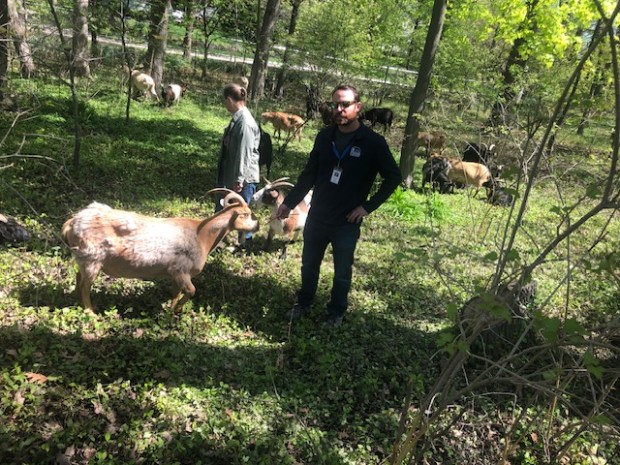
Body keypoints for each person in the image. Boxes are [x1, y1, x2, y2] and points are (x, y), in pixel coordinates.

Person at [276, 85, 401, 327]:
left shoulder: (373, 142)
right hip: (318, 216)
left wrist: (367, 207)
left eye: (345, 105)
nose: (339, 110)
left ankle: (336, 312)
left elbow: (393, 177)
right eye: (335, 104)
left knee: (342, 271)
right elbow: (309, 174)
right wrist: (289, 202)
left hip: (346, 222)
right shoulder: (325, 136)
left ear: (358, 107)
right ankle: (304, 301)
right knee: (309, 264)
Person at [217, 83, 261, 244]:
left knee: (242, 212)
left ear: (229, 100)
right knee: (231, 209)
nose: (224, 104)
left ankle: (245, 243)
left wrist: (239, 179)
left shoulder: (245, 123)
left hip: (244, 178)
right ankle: (227, 239)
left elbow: (245, 153)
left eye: (224, 101)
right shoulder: (239, 119)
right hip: (236, 174)